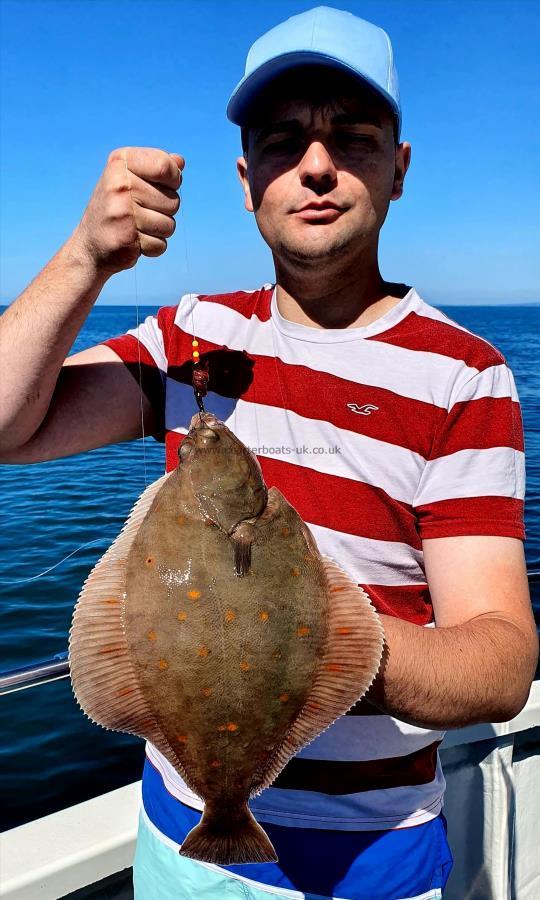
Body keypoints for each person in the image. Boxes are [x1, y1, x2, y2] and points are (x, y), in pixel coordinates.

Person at [0, 6, 537, 899]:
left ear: (398, 170)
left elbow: (501, 663)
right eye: (284, 142)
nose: (317, 166)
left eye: (353, 138)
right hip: (177, 838)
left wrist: (312, 643)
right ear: (247, 181)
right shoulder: (195, 336)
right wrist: (86, 258)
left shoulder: (465, 378)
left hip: (371, 861)